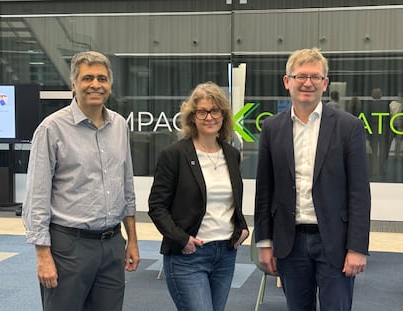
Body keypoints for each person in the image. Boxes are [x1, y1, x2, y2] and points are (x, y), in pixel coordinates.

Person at [22, 51, 140, 311]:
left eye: (102, 78)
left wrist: (132, 239)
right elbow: (36, 197)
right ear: (74, 84)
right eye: (87, 78)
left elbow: (126, 187)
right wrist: (43, 256)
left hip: (112, 245)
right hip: (68, 247)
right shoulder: (51, 129)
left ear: (110, 84)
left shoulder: (119, 125)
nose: (95, 84)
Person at [254, 48, 371, 311]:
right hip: (289, 241)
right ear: (287, 81)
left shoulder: (347, 126)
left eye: (315, 77)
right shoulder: (272, 129)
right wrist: (264, 242)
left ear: (325, 83)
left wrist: (357, 247)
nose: (308, 83)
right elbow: (264, 191)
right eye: (301, 76)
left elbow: (359, 192)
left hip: (335, 242)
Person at [148, 81, 249, 311]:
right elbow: (157, 206)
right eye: (202, 111)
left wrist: (242, 227)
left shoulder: (232, 154)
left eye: (215, 111)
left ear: (223, 116)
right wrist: (181, 239)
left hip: (225, 254)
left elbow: (232, 200)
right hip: (188, 255)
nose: (209, 117)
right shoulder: (174, 155)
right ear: (192, 116)